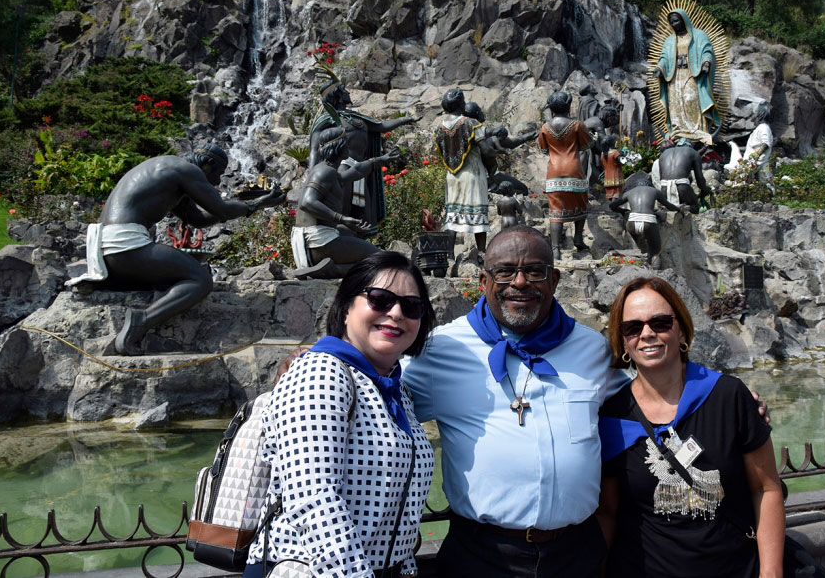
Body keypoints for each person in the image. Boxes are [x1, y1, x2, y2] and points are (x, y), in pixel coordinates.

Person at [401, 225, 625, 577]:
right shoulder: (442, 349)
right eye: (505, 271)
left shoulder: (592, 349)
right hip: (481, 556)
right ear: (484, 280)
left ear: (554, 280)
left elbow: (644, 402)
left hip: (575, 553)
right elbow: (377, 397)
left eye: (534, 271)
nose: (519, 282)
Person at [245, 251, 437, 578]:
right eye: (380, 299)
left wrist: (404, 566)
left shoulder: (395, 389)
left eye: (411, 306)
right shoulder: (322, 372)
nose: (396, 313)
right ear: (346, 307)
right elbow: (313, 498)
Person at [597, 276, 784, 578]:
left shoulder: (728, 397)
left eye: (660, 323)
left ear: (682, 329)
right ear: (624, 341)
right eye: (633, 327)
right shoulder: (613, 416)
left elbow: (766, 489)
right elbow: (608, 512)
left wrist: (771, 573)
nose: (647, 334)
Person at [66, 143, 284, 355]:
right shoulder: (187, 170)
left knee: (169, 280)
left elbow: (197, 219)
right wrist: (256, 204)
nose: (217, 182)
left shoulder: (169, 171)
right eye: (218, 174)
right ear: (207, 165)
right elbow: (222, 210)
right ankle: (141, 322)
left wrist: (243, 206)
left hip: (104, 250)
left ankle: (114, 286)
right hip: (125, 244)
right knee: (200, 280)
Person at [308, 79, 417, 226]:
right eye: (344, 89)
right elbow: (314, 150)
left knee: (364, 215)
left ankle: (357, 238)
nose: (348, 92)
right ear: (338, 95)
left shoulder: (357, 117)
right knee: (343, 210)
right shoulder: (327, 119)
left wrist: (405, 119)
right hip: (343, 168)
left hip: (360, 169)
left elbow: (381, 126)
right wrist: (312, 176)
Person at [292, 138, 399, 279]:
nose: (349, 146)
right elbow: (306, 202)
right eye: (346, 144)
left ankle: (330, 268)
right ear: (337, 147)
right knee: (382, 259)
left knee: (348, 232)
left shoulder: (329, 171)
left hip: (314, 241)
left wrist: (379, 160)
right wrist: (342, 218)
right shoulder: (325, 172)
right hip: (319, 243)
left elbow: (355, 171)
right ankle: (333, 270)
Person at [650, 9, 720, 146]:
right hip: (674, 76)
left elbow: (707, 50)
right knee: (675, 102)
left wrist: (706, 62)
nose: (674, 24)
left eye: (676, 20)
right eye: (672, 22)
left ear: (684, 20)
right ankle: (678, 132)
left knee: (690, 99)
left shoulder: (699, 35)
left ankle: (696, 132)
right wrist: (659, 68)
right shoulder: (669, 41)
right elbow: (664, 57)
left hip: (692, 74)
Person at [436, 89, 490, 255]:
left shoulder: (439, 127)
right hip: (473, 173)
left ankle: (449, 255)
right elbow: (486, 150)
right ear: (461, 103)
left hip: (452, 176)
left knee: (452, 215)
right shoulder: (471, 123)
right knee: (478, 214)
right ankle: (481, 254)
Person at [539, 90, 593, 254]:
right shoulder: (577, 125)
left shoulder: (545, 127)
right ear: (568, 106)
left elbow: (544, 149)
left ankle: (555, 249)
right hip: (574, 169)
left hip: (554, 172)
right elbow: (587, 144)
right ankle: (578, 238)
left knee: (555, 211)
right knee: (580, 204)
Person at [609, 177, 686, 264]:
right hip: (648, 222)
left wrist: (623, 211)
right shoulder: (654, 191)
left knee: (636, 250)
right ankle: (656, 270)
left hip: (631, 223)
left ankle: (637, 265)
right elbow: (669, 206)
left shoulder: (629, 192)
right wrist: (679, 209)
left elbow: (612, 206)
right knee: (655, 252)